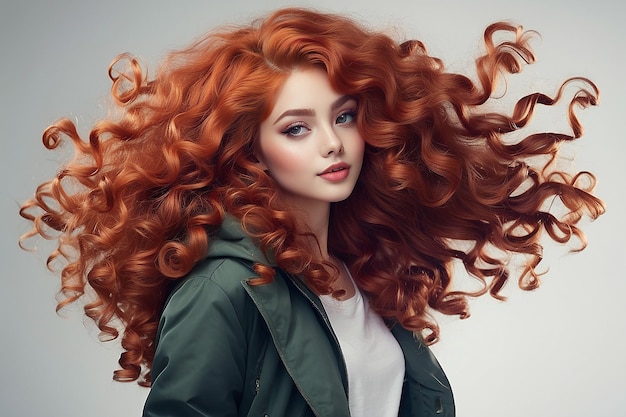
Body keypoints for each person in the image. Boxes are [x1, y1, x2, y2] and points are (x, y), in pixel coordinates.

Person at [19, 7, 605, 417]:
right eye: (298, 127)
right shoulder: (223, 287)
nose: (333, 143)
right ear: (248, 148)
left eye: (344, 116)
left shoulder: (358, 272)